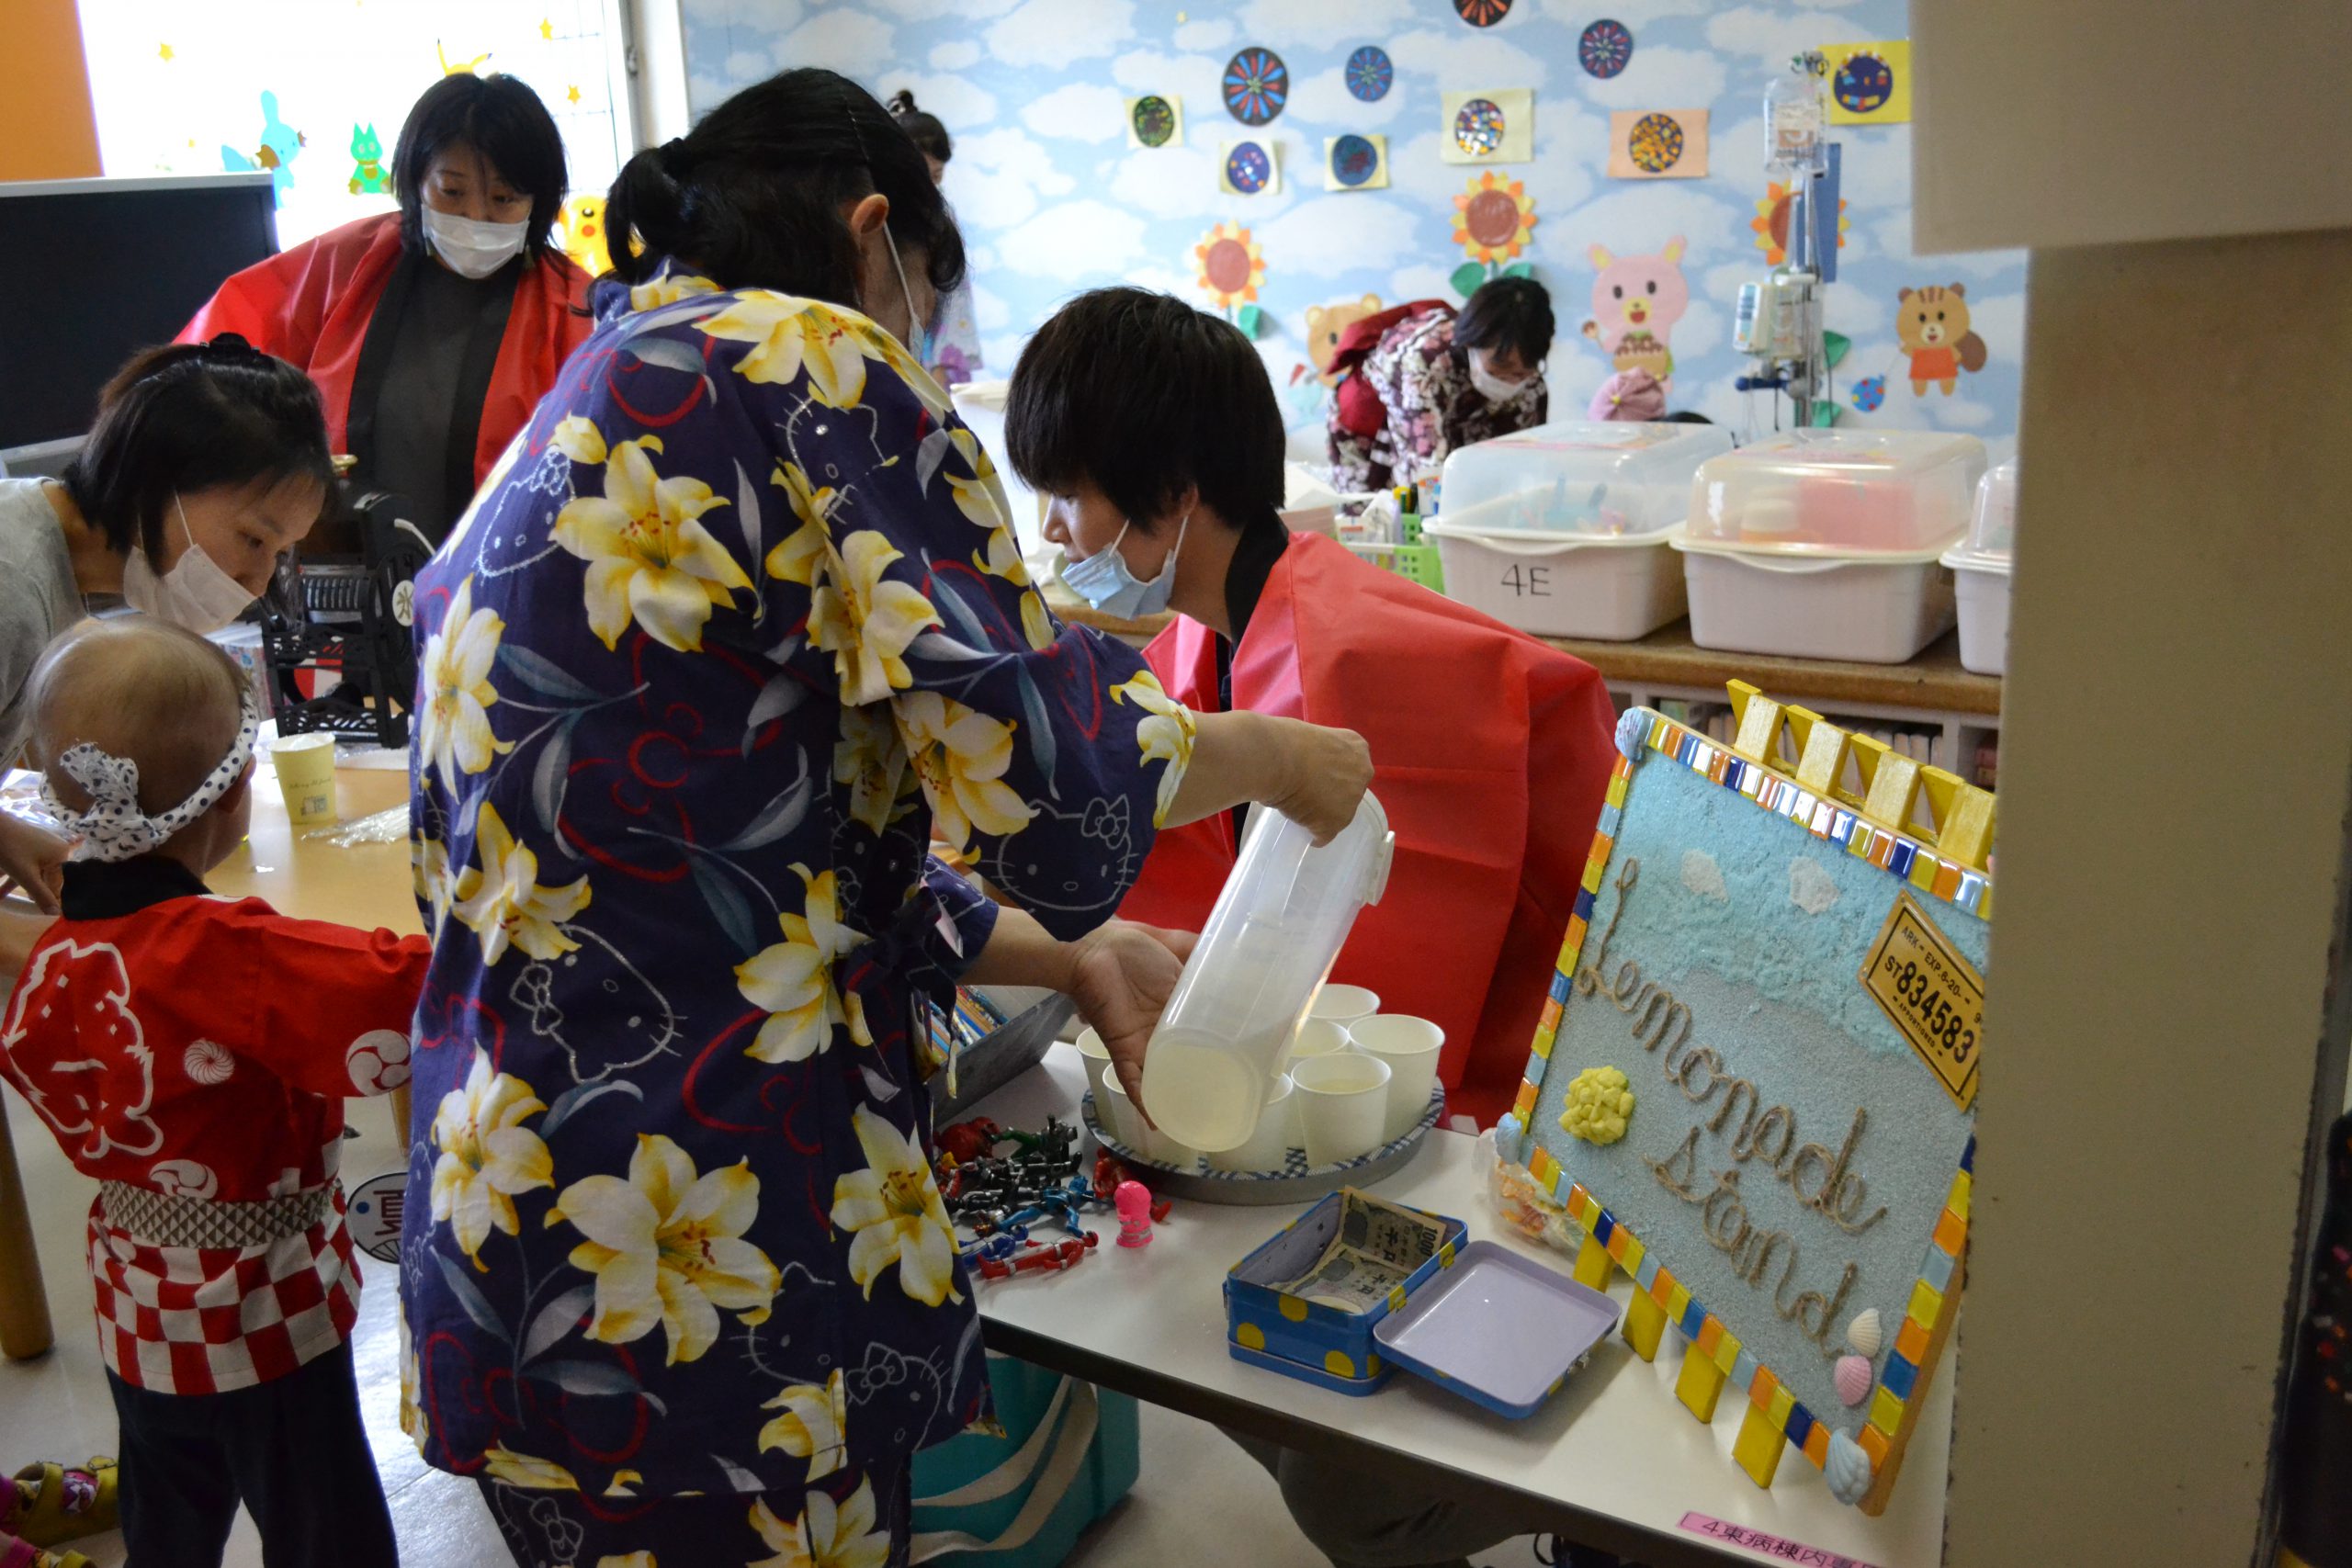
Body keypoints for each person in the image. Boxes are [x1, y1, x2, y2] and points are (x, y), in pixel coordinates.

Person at [398, 68, 1370, 1568]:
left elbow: (730, 866)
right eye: (928, 291)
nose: (924, 333)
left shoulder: (579, 414)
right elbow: (1052, 788)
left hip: (509, 1228)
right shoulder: (817, 367)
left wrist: (1072, 958)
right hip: (706, 1259)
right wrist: (1262, 752)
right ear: (876, 236)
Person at [1011, 286, 1616, 1129]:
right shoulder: (1187, 647)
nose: (1052, 530)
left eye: (1070, 495)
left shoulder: (1371, 658)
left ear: (1176, 488)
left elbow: (1419, 944)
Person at [0, 616, 432, 1568]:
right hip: (264, 1307)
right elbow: (407, 991)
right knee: (326, 1524)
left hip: (133, 1292)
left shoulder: (57, 954)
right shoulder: (227, 954)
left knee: (168, 1506)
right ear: (237, 792)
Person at [183, 73, 592, 539]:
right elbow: (204, 368)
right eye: (452, 191)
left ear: (539, 203)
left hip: (505, 587)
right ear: (415, 179)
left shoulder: (580, 310)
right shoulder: (344, 264)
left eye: (504, 199)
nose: (476, 217)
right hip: (344, 576)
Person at [0, 337, 334, 909]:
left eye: (280, 552)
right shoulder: (12, 578)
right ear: (154, 479)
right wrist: (34, 949)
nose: (258, 582)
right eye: (253, 538)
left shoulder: (52, 568)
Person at [1327, 276, 1555, 492]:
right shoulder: (1424, 365)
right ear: (1471, 344)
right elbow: (1427, 472)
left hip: (1453, 408)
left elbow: (1526, 459)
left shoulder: (1531, 380)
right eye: (1501, 367)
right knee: (1376, 513)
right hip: (1369, 417)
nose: (1511, 380)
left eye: (1521, 372)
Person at [888, 89, 985, 388]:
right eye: (921, 175)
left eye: (938, 175)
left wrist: (943, 362)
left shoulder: (941, 216)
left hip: (933, 339)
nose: (929, 185)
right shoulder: (878, 212)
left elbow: (955, 294)